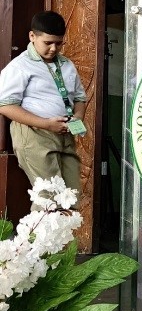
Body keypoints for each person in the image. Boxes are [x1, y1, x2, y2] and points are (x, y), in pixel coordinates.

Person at [0, 11, 87, 193]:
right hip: (34, 134)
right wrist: (46, 124)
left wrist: (78, 117)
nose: (54, 48)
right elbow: (5, 105)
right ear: (32, 36)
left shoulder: (67, 65)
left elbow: (79, 98)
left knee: (71, 196)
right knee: (49, 196)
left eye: (59, 43)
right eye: (48, 43)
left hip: (65, 135)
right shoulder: (20, 66)